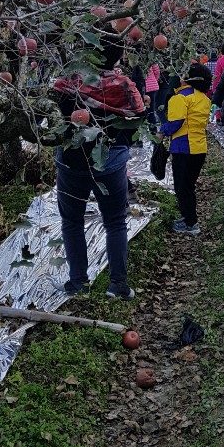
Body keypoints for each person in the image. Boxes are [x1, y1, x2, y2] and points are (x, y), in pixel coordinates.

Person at [54, 29, 146, 299]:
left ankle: (78, 282)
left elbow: (55, 117)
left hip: (71, 163)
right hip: (111, 163)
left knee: (72, 221)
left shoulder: (67, 83)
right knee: (115, 222)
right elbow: (139, 118)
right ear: (119, 55)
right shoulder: (124, 86)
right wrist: (121, 141)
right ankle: (117, 284)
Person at [158, 62, 212, 235]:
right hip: (199, 148)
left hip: (183, 148)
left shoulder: (180, 98)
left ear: (187, 79)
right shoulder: (204, 98)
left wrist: (162, 132)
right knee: (189, 185)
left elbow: (175, 123)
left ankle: (190, 223)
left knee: (182, 187)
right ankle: (189, 217)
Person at [144, 62, 161, 127]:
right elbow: (156, 71)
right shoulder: (150, 59)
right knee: (151, 111)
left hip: (140, 87)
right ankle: (153, 131)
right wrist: (153, 80)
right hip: (152, 88)